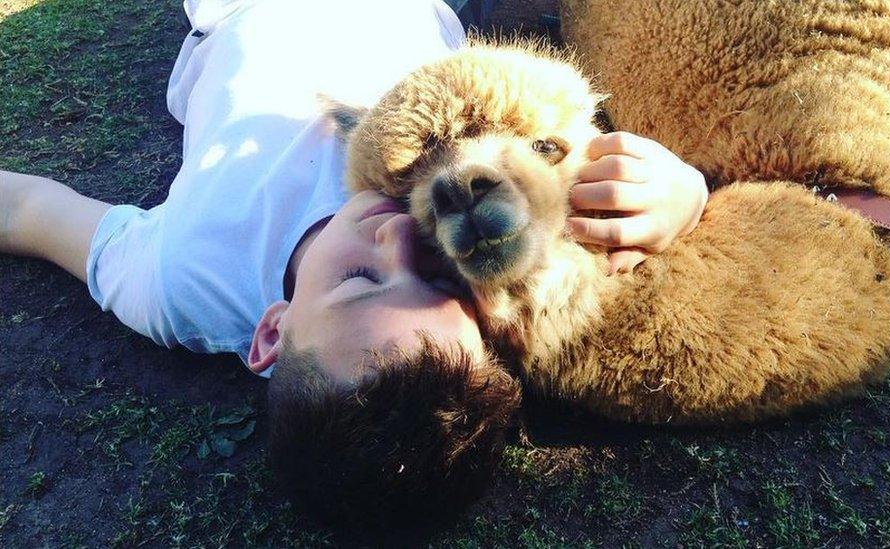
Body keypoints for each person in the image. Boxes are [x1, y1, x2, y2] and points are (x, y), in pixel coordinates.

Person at [0, 0, 706, 525]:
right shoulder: (485, 235)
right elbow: (575, 161)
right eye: (436, 280)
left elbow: (29, 213)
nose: (400, 237)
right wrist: (685, 195)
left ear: (271, 332)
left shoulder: (182, 278)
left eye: (359, 281)